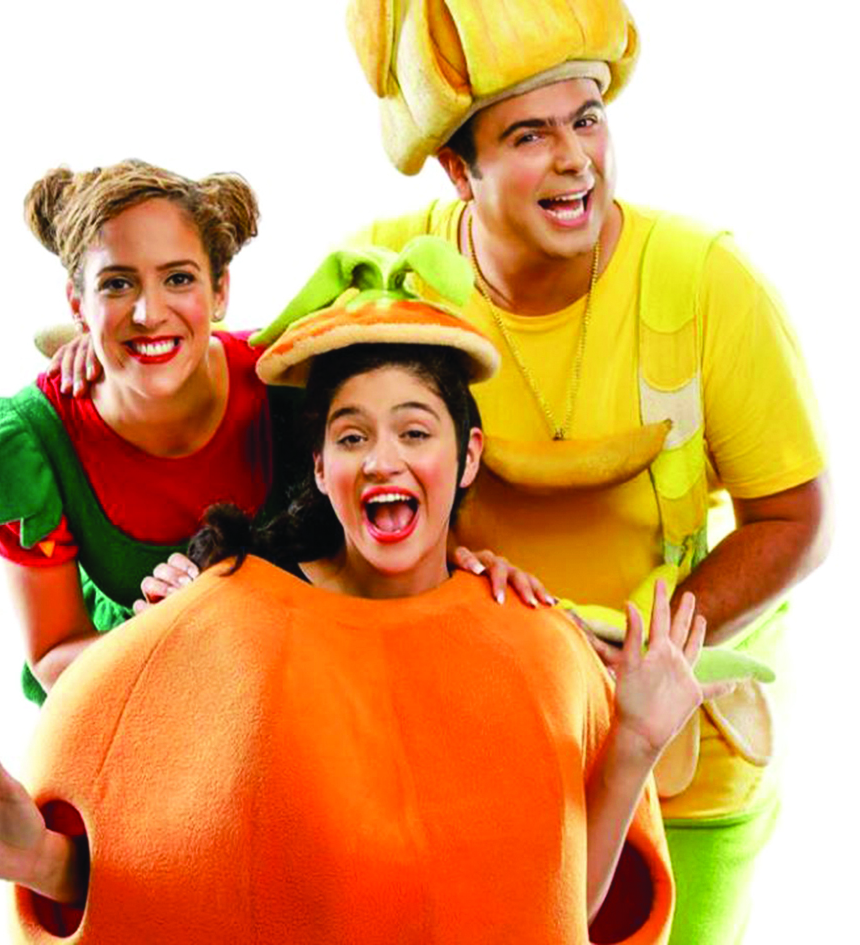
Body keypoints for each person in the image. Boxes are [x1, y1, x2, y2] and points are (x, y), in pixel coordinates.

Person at [0, 242, 740, 943]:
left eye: (414, 431)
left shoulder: (534, 647)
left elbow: (553, 911)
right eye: (351, 436)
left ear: (468, 457)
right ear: (318, 467)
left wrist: (634, 741)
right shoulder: (228, 621)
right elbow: (172, 884)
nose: (382, 459)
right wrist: (41, 861)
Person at [341, 1, 832, 943]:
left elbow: (794, 517)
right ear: (458, 169)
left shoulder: (706, 280)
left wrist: (644, 658)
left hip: (684, 759)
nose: (575, 160)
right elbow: (298, 454)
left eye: (587, 119)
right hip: (477, 749)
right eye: (529, 134)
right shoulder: (392, 273)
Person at [0, 159, 276, 704]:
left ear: (220, 290)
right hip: (131, 707)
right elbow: (53, 656)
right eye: (117, 284)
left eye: (178, 278)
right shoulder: (30, 445)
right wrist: (161, 640)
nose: (148, 312)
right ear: (78, 305)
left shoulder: (284, 379)